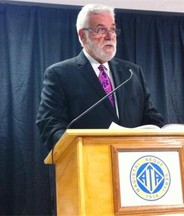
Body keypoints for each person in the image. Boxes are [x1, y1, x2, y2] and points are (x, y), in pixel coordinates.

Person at [36, 3, 164, 151]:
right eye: (101, 29)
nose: (110, 36)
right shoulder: (59, 74)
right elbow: (50, 124)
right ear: (83, 35)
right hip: (86, 165)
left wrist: (160, 134)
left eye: (112, 29)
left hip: (130, 164)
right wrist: (76, 149)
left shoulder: (132, 72)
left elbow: (151, 117)